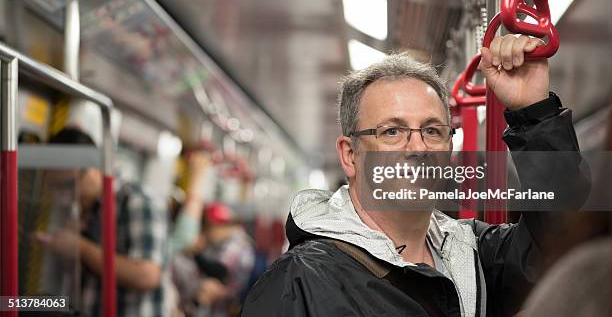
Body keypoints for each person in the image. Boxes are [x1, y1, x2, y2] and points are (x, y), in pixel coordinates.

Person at [241, 35, 590, 317]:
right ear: (350, 155)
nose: (417, 147)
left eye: (433, 131)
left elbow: (562, 242)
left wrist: (533, 111)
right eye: (392, 132)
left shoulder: (474, 256)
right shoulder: (299, 283)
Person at [36, 127, 170, 316]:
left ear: (94, 169)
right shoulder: (84, 209)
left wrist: (80, 247)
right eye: (56, 187)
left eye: (68, 184)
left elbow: (146, 276)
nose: (65, 196)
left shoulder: (137, 201)